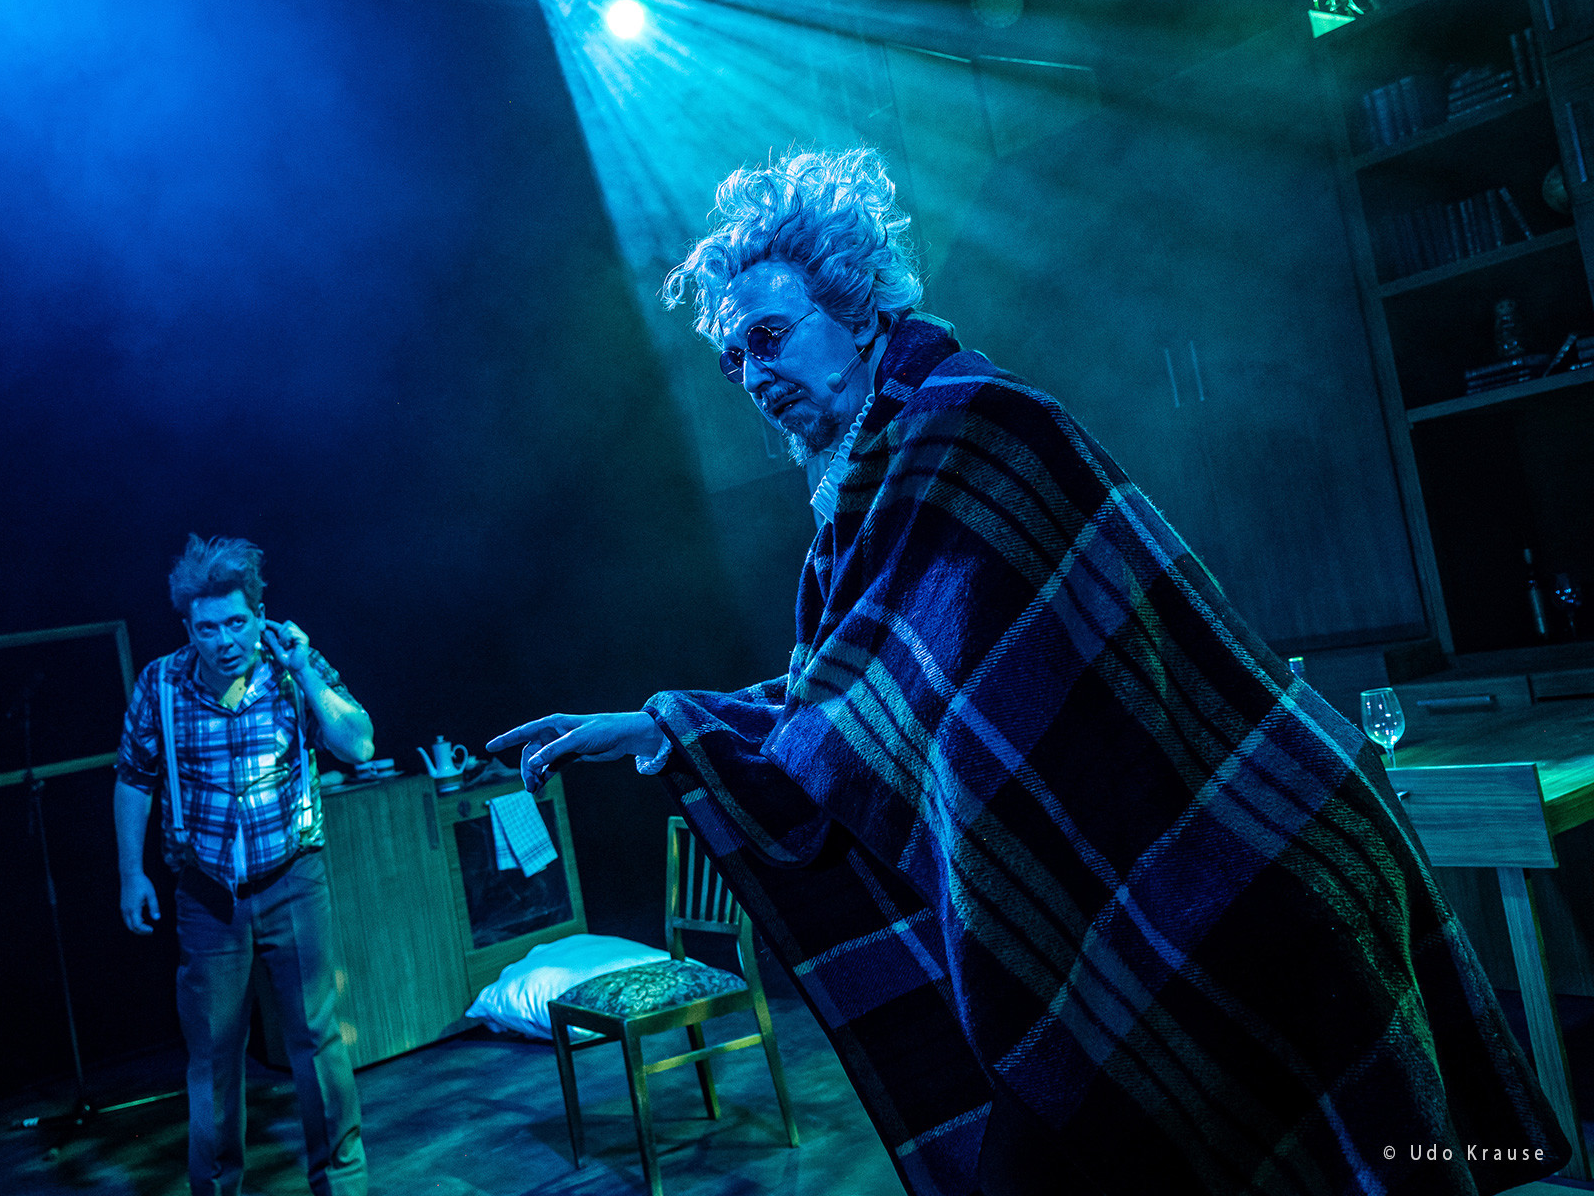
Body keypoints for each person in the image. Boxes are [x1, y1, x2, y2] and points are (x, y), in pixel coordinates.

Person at [490, 148, 1566, 1195]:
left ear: (855, 307)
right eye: (734, 360)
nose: (753, 376)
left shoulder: (975, 432)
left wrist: (683, 727)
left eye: (769, 337)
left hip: (1239, 877)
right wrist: (657, 725)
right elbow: (843, 705)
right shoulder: (858, 511)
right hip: (1114, 916)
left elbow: (906, 705)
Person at [115, 534, 373, 1196]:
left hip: (293, 879)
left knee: (318, 1040)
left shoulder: (291, 669)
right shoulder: (162, 684)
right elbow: (134, 779)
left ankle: (342, 1188)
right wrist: (131, 874)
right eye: (208, 628)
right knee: (213, 1056)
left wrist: (307, 671)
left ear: (259, 615)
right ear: (187, 628)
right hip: (206, 896)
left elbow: (359, 745)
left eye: (236, 623)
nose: (224, 641)